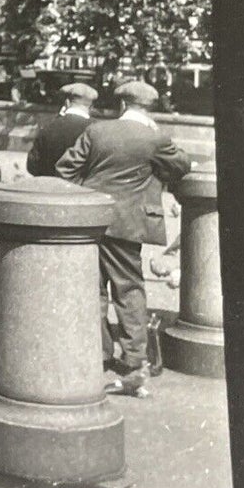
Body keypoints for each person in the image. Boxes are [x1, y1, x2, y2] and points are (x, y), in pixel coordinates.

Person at [56, 80, 191, 385]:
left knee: (93, 289)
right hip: (128, 225)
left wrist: (89, 196)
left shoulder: (97, 130)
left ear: (121, 105)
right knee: (128, 290)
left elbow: (65, 169)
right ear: (149, 108)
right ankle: (133, 356)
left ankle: (98, 352)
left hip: (91, 221)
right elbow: (181, 165)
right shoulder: (154, 138)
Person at [26, 81, 99, 178]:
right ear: (91, 106)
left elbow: (32, 165)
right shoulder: (98, 129)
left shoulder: (49, 126)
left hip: (50, 188)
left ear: (67, 102)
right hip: (82, 191)